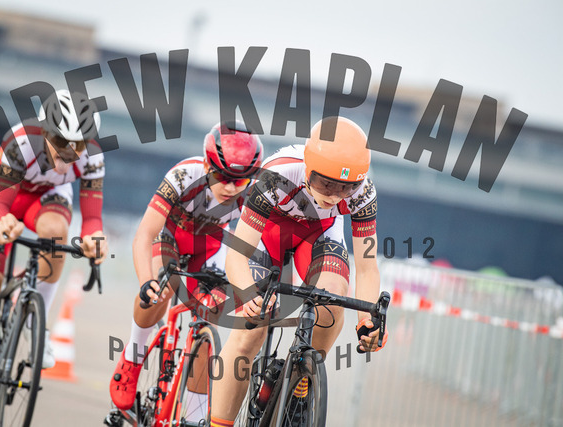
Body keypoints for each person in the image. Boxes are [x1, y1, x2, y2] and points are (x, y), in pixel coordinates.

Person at [0, 90, 109, 427]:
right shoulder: (22, 142)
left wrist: (95, 239)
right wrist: (2, 222)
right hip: (2, 197)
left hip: (46, 199)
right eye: (62, 141)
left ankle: (34, 323)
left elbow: (92, 220)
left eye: (80, 144)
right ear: (45, 132)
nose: (70, 151)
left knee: (57, 234)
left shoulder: (93, 158)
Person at [209, 116, 388, 427]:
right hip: (269, 235)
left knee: (332, 301)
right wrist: (248, 294)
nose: (334, 195)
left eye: (346, 187)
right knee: (249, 332)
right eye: (325, 183)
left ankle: (301, 383)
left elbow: (367, 267)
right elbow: (237, 255)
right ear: (307, 168)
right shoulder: (276, 176)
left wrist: (367, 321)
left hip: (318, 237)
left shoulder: (363, 193)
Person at [109, 121, 263, 423]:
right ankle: (133, 357)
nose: (231, 187)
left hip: (210, 246)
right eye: (222, 177)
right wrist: (146, 281)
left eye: (240, 181)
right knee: (161, 290)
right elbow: (145, 235)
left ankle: (194, 414)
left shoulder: (254, 194)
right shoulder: (184, 175)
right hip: (170, 239)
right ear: (206, 165)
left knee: (211, 315)